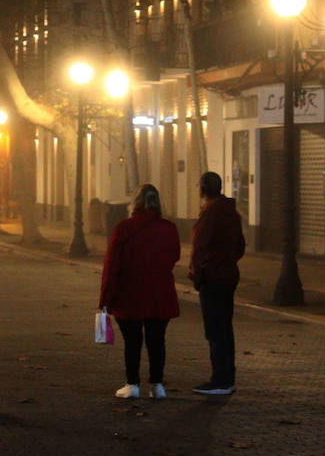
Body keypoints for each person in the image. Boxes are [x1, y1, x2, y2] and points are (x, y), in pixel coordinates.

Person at [98, 184, 181, 400]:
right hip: (160, 293)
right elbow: (174, 257)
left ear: (134, 203)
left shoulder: (123, 228)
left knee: (132, 341)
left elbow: (111, 266)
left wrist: (105, 299)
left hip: (130, 294)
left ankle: (132, 384)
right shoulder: (169, 228)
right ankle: (157, 385)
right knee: (157, 340)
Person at [189, 171, 245, 396]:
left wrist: (198, 275)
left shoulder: (210, 214)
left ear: (202, 190)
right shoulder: (231, 213)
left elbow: (200, 248)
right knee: (224, 327)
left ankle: (220, 379)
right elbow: (240, 246)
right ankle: (227, 377)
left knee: (215, 330)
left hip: (213, 278)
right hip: (228, 275)